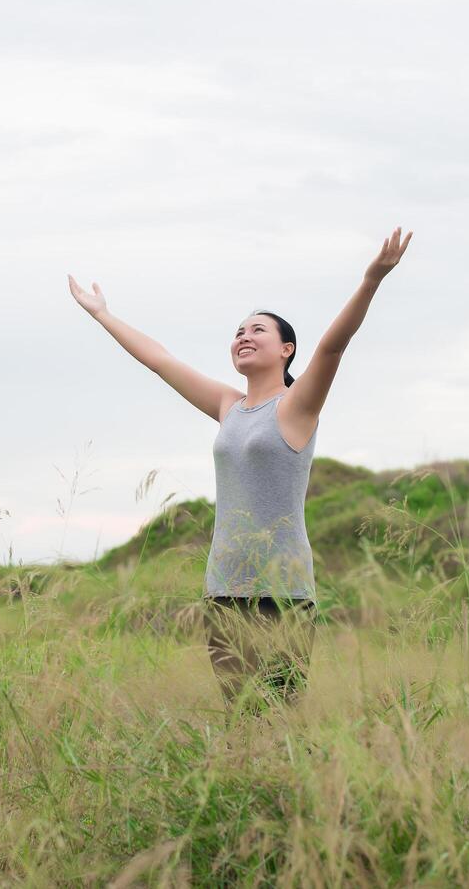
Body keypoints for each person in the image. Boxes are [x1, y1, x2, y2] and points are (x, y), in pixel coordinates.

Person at [67, 227, 413, 714]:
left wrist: (371, 280)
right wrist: (103, 315)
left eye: (257, 331)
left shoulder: (296, 407)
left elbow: (333, 348)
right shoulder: (230, 406)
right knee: (240, 714)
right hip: (224, 586)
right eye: (238, 332)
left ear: (286, 350)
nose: (243, 337)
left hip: (282, 590)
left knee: (279, 712)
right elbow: (160, 360)